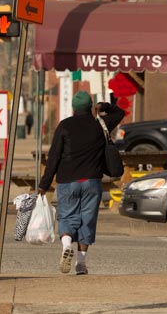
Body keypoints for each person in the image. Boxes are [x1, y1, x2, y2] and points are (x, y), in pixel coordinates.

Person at [38, 90, 124, 275]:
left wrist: (44, 185)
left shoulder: (65, 126)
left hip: (67, 181)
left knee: (68, 217)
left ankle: (66, 245)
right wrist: (104, 107)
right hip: (92, 181)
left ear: (74, 108)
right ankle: (81, 263)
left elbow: (54, 157)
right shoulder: (101, 124)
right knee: (87, 220)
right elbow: (120, 113)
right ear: (90, 107)